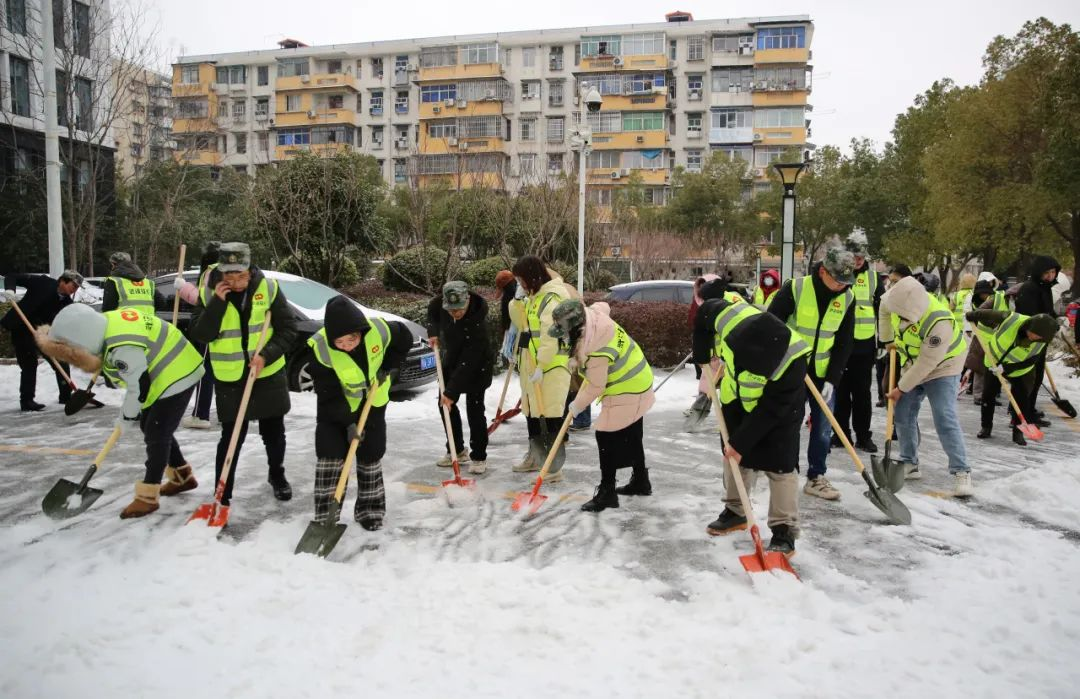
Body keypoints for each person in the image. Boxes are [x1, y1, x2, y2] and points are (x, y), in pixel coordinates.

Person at [36, 303, 205, 517]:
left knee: (157, 432)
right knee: (151, 426)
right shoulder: (106, 324)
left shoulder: (122, 348)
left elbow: (139, 387)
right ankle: (182, 478)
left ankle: (148, 497)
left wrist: (125, 417)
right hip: (167, 365)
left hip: (177, 372)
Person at [187, 242, 298, 508]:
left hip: (266, 373)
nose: (236, 283)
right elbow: (201, 335)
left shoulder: (268, 289)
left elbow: (289, 330)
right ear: (220, 272)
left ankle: (277, 474)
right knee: (231, 435)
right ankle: (222, 492)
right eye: (229, 277)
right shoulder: (207, 293)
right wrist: (217, 304)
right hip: (230, 377)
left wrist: (266, 355)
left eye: (241, 276)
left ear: (250, 270)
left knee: (273, 431)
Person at [703, 312, 810, 555]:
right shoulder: (735, 337)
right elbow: (704, 315)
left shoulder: (793, 361)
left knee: (781, 465)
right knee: (733, 457)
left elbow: (771, 410)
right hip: (737, 401)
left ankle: (784, 530)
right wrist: (701, 350)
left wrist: (741, 443)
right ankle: (735, 512)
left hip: (781, 412)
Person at [308, 295, 411, 531]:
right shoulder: (320, 349)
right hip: (335, 410)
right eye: (340, 342)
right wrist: (348, 424)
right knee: (330, 458)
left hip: (373, 403)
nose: (347, 346)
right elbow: (328, 393)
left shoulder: (379, 330)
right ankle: (325, 517)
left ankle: (370, 511)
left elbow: (404, 337)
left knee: (370, 456)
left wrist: (391, 365)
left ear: (360, 331)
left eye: (352, 339)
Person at [768, 247, 856, 500]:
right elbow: (772, 324)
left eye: (845, 282)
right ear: (823, 271)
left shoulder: (847, 298)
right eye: (837, 280)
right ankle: (787, 471)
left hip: (822, 372)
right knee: (789, 423)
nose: (841, 286)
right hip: (792, 369)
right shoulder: (795, 288)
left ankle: (816, 476)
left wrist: (833, 378)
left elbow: (844, 341)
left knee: (822, 427)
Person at [550, 299, 655, 512]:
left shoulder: (597, 344)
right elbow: (603, 305)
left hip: (627, 386)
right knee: (633, 432)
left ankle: (607, 493)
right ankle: (641, 481)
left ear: (576, 328)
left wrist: (575, 406)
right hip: (638, 375)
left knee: (605, 435)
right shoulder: (593, 316)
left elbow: (596, 385)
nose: (562, 335)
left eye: (563, 331)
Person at [878, 276, 972, 496]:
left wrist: (900, 388)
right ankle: (909, 462)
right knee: (902, 414)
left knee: (944, 416)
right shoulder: (892, 300)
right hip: (912, 361)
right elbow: (883, 312)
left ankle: (962, 471)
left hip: (944, 366)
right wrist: (887, 340)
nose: (899, 318)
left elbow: (927, 363)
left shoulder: (939, 321)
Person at [508, 256, 575, 477]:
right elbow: (521, 323)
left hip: (551, 368)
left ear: (532, 277)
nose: (520, 284)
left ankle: (553, 466)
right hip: (531, 365)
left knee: (550, 415)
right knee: (532, 413)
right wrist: (517, 301)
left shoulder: (553, 299)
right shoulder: (534, 297)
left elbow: (551, 336)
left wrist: (542, 365)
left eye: (521, 279)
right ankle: (536, 457)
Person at [426, 281, 493, 474]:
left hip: (477, 366)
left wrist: (451, 391)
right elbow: (433, 308)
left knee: (475, 409)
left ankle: (479, 456)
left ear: (468, 300)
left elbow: (469, 362)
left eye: (459, 310)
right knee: (446, 405)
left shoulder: (477, 323)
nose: (455, 314)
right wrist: (433, 332)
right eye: (451, 311)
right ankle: (456, 449)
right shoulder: (441, 304)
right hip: (452, 359)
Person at [967, 308, 1058, 446]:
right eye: (1035, 335)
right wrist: (971, 315)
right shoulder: (1011, 319)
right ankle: (986, 427)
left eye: (1040, 338)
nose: (1035, 339)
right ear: (1030, 326)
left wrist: (1007, 368)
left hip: (1021, 370)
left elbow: (1032, 360)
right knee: (988, 395)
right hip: (993, 361)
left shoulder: (1042, 339)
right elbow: (986, 313)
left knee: (1021, 400)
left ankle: (1018, 432)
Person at [2, 270, 82, 411]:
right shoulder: (43, 282)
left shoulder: (67, 303)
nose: (74, 290)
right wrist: (10, 290)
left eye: (77, 288)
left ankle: (66, 397)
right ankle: (27, 401)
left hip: (43, 332)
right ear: (63, 281)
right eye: (73, 286)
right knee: (29, 363)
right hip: (22, 327)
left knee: (60, 360)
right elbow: (12, 275)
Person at [833, 232, 884, 454]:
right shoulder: (837, 275)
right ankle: (840, 435)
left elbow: (883, 312)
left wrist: (883, 340)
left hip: (864, 346)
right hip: (839, 344)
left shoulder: (873, 278)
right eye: (855, 256)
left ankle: (864, 436)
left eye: (861, 257)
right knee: (841, 393)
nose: (858, 261)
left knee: (862, 395)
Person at [1013, 255, 1060, 426]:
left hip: (1041, 339)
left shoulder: (1044, 288)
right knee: (1028, 378)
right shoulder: (1030, 289)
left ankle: (1029, 409)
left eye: (1053, 272)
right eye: (1046, 272)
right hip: (1030, 340)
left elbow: (1047, 311)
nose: (1050, 276)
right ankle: (1020, 414)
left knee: (1037, 376)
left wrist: (1055, 320)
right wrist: (1046, 326)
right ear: (1038, 272)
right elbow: (1030, 316)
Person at [178, 243, 221, 429]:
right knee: (222, 372)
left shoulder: (213, 271)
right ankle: (231, 413)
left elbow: (207, 299)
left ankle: (201, 415)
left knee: (205, 372)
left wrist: (184, 288)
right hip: (224, 328)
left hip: (209, 327)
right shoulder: (231, 270)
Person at [965, 279, 997, 402]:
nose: (984, 296)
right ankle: (978, 395)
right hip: (980, 339)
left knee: (989, 369)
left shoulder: (992, 301)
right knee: (979, 368)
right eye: (982, 294)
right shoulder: (976, 303)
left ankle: (986, 394)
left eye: (986, 293)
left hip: (990, 339)